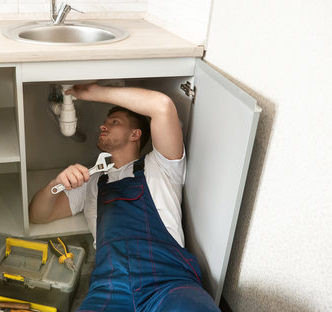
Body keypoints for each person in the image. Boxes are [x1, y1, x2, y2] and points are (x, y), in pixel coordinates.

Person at [29, 83, 219, 311]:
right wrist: (55, 184)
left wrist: (93, 92)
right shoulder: (92, 179)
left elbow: (162, 106)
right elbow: (38, 215)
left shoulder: (161, 166)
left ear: (135, 134)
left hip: (168, 283)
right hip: (109, 288)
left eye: (114, 122)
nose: (103, 125)